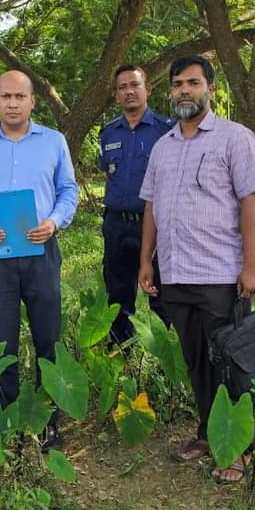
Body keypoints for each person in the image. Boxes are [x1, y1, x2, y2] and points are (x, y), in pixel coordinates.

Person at [138, 55, 255, 483]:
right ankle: (206, 434)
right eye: (177, 84)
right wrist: (146, 261)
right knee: (196, 360)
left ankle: (237, 449)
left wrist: (252, 266)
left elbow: (251, 202)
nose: (184, 90)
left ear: (210, 88)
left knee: (229, 362)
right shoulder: (163, 146)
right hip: (175, 272)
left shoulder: (235, 139)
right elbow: (152, 208)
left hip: (220, 274)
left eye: (193, 82)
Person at [0, 70, 79, 450]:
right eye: (5, 96)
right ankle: (9, 418)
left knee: (48, 336)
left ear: (32, 101)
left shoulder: (54, 142)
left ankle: (49, 422)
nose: (12, 103)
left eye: (20, 97)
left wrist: (53, 223)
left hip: (42, 251)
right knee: (2, 341)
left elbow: (68, 191)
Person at [98, 65, 174, 346]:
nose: (129, 91)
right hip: (117, 224)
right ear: (116, 95)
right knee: (117, 295)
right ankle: (120, 355)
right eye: (122, 87)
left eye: (135, 84)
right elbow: (109, 173)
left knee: (160, 294)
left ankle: (163, 361)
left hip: (155, 225)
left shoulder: (167, 131)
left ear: (148, 89)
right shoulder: (108, 133)